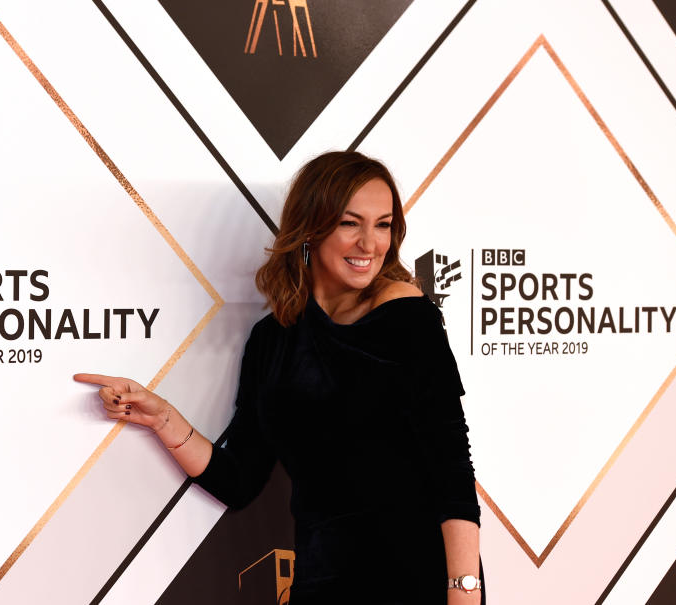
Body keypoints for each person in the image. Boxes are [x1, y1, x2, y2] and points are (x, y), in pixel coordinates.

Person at [75, 151, 483, 604]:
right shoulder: (272, 340)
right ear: (311, 227)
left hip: (417, 581)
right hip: (321, 583)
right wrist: (161, 417)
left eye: (383, 225)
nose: (371, 243)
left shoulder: (408, 319)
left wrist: (464, 590)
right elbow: (241, 480)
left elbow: (452, 469)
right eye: (351, 223)